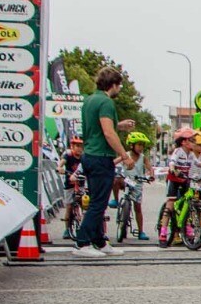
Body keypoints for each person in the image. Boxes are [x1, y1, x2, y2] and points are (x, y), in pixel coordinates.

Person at [74, 67, 136, 259]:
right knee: (98, 203)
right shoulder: (106, 102)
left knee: (96, 200)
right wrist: (124, 155)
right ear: (114, 85)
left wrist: (119, 125)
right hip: (101, 156)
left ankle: (99, 241)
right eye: (119, 86)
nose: (119, 89)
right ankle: (83, 242)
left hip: (89, 154)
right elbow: (108, 133)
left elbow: (98, 126)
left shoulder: (90, 100)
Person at [119, 131, 153, 240]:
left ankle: (141, 231)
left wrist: (151, 175)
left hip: (138, 183)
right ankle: (117, 203)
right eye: (139, 145)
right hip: (127, 180)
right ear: (131, 145)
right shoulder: (126, 155)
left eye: (142, 145)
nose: (141, 147)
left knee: (138, 207)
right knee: (117, 180)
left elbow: (150, 168)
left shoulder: (143, 157)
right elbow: (115, 162)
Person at [62, 136, 85, 239]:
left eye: (81, 146)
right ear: (72, 146)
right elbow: (62, 162)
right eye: (77, 146)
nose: (79, 148)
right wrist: (59, 167)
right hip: (70, 185)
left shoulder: (84, 157)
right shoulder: (68, 155)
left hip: (81, 184)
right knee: (69, 206)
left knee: (85, 203)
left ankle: (84, 226)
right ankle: (67, 229)